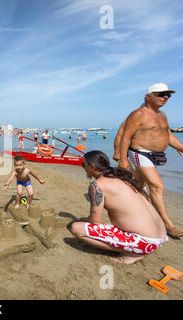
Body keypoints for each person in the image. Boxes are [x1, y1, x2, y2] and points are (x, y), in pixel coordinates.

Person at [70, 150, 168, 264]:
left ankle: (133, 253)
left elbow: (95, 221)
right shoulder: (123, 176)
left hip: (145, 242)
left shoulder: (97, 185)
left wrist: (85, 220)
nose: (83, 168)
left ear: (92, 167)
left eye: (84, 165)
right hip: (161, 236)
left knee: (76, 228)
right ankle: (136, 248)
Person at [118, 83, 183, 238]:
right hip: (140, 153)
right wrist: (122, 160)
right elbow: (125, 137)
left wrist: (180, 147)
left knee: (139, 185)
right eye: (161, 94)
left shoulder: (162, 115)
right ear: (148, 97)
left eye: (168, 95)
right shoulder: (138, 114)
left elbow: (167, 136)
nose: (166, 97)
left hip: (155, 156)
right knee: (157, 186)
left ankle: (126, 207)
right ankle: (167, 225)